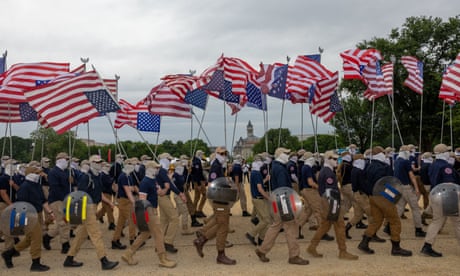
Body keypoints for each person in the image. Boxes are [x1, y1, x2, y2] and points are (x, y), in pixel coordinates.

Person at [255, 147, 309, 265]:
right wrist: (291, 202)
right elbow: (283, 188)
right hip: (283, 201)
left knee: (276, 226)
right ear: (280, 155)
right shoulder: (280, 169)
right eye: (286, 153)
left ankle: (262, 250)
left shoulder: (276, 167)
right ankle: (294, 256)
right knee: (291, 227)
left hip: (278, 201)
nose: (288, 155)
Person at [63, 156, 119, 270]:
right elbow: (80, 195)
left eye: (100, 162)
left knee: (81, 235)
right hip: (88, 207)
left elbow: (100, 193)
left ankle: (69, 258)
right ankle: (104, 260)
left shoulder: (97, 176)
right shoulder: (86, 177)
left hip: (93, 206)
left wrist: (109, 202)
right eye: (97, 162)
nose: (100, 164)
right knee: (96, 233)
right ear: (91, 163)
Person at [357, 146, 412, 256]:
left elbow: (362, 181)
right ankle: (396, 248)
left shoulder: (368, 165)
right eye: (384, 153)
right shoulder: (384, 167)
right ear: (381, 154)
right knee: (394, 220)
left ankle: (364, 242)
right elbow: (389, 182)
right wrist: (393, 196)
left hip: (372, 197)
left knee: (376, 221)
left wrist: (369, 193)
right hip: (383, 196)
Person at [121, 161, 176, 267]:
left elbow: (160, 193)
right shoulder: (146, 182)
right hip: (149, 211)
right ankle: (162, 258)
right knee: (158, 234)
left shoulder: (153, 180)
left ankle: (128, 254)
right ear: (150, 168)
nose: (157, 170)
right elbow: (142, 200)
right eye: (155, 168)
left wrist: (166, 187)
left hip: (152, 210)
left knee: (145, 234)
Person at [2, 163, 54, 271]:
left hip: (38, 214)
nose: (40, 175)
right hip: (29, 215)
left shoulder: (37, 185)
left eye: (39, 173)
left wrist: (50, 212)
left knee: (29, 239)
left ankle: (9, 253)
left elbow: (43, 201)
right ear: (30, 174)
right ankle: (35, 263)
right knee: (37, 238)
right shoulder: (25, 187)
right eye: (37, 173)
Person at [307, 151, 358, 260]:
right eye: (334, 159)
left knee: (325, 226)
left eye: (337, 159)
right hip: (331, 202)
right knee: (340, 226)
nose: (336, 161)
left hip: (326, 201)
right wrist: (335, 205)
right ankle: (343, 252)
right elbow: (331, 191)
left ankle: (312, 246)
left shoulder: (324, 171)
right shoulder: (328, 173)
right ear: (327, 159)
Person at [193, 146, 236, 265]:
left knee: (220, 224)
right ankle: (220, 255)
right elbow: (212, 184)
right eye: (222, 153)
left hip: (222, 199)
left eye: (225, 153)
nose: (224, 155)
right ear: (216, 154)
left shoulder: (218, 166)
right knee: (223, 227)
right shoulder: (216, 166)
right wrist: (227, 186)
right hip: (219, 200)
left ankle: (201, 240)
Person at [421, 144, 460, 257]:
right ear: (443, 153)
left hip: (435, 195)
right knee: (457, 222)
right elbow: (450, 184)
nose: (449, 152)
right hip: (448, 196)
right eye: (448, 151)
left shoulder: (433, 164)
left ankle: (427, 246)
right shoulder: (446, 166)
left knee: (436, 221)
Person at [346, 154, 385, 242]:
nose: (364, 161)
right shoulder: (359, 171)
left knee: (358, 215)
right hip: (361, 195)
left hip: (356, 194)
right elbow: (363, 185)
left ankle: (345, 230)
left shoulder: (354, 170)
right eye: (362, 160)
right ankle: (372, 234)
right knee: (372, 215)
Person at [297, 152, 334, 241]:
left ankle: (297, 228)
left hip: (306, 190)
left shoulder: (305, 167)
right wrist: (320, 188)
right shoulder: (308, 168)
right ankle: (323, 232)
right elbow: (311, 182)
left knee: (308, 211)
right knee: (318, 210)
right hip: (310, 191)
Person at [43, 152, 72, 254]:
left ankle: (47, 237)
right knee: (64, 223)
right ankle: (65, 244)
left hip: (65, 199)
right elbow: (55, 188)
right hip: (57, 200)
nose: (68, 162)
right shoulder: (53, 172)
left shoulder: (65, 172)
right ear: (60, 160)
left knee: (62, 222)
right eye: (66, 159)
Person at [394, 145, 426, 237]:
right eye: (409, 151)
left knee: (400, 207)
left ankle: (389, 226)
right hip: (406, 187)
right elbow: (411, 176)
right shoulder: (406, 161)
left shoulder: (397, 161)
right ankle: (418, 229)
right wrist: (416, 189)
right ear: (405, 152)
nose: (411, 153)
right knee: (415, 208)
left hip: (398, 186)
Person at [158, 152, 186, 253]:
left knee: (164, 221)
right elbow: (170, 184)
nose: (170, 162)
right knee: (174, 219)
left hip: (163, 196)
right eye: (169, 160)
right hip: (163, 197)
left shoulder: (162, 170)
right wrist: (180, 194)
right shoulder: (162, 171)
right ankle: (168, 242)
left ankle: (159, 243)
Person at [111, 158, 137, 249]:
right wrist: (133, 201)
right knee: (132, 220)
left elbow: (133, 188)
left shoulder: (129, 176)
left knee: (120, 223)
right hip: (124, 201)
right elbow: (127, 190)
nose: (132, 165)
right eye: (130, 163)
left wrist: (133, 190)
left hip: (126, 200)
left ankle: (115, 240)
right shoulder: (123, 176)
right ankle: (133, 240)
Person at [245, 154, 270, 246]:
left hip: (256, 198)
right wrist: (268, 198)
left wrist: (265, 180)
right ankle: (251, 234)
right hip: (259, 199)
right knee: (267, 220)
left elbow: (258, 184)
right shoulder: (258, 173)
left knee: (263, 219)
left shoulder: (254, 173)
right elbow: (260, 189)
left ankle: (261, 239)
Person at [171, 156, 194, 235]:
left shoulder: (180, 175)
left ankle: (169, 225)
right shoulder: (175, 176)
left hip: (180, 194)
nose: (182, 167)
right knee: (185, 211)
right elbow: (176, 186)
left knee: (178, 212)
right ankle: (185, 229)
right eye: (181, 166)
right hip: (178, 195)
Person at [96, 162, 116, 230]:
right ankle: (111, 223)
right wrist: (113, 179)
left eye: (109, 166)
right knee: (109, 208)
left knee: (105, 208)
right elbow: (107, 183)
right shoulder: (102, 175)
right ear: (103, 166)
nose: (109, 167)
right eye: (107, 166)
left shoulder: (107, 174)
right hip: (105, 193)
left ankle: (97, 216)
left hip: (109, 193)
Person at [191, 150, 207, 218]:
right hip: (198, 181)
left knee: (197, 197)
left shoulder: (194, 161)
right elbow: (197, 174)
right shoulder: (197, 162)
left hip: (197, 181)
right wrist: (199, 184)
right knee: (204, 195)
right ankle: (199, 210)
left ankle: (194, 211)